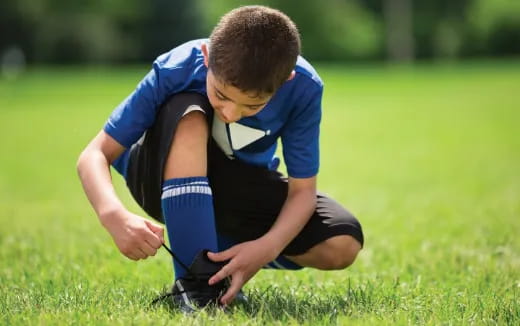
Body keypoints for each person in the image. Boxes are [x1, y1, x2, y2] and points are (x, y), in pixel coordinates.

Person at [77, 5, 364, 312]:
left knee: (341, 242)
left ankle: (215, 260)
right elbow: (94, 155)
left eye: (251, 106)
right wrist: (114, 216)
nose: (229, 114)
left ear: (287, 80)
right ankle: (197, 290)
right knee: (190, 112)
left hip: (237, 186)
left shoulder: (304, 88)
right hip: (155, 176)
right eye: (222, 95)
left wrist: (264, 250)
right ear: (207, 56)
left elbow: (302, 192)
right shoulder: (177, 68)